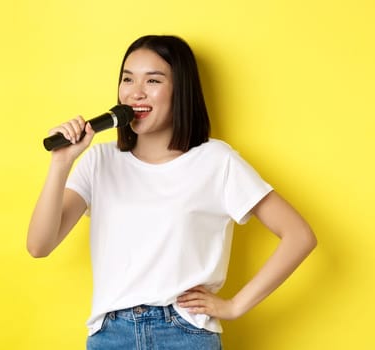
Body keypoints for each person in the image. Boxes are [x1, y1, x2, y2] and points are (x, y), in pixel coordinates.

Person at [26, 35, 317, 349]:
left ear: (181, 90)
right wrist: (62, 162)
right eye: (127, 79)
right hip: (111, 336)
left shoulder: (216, 161)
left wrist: (234, 305)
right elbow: (39, 246)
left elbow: (299, 235)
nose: (135, 92)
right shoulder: (99, 161)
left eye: (152, 80)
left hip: (184, 333)